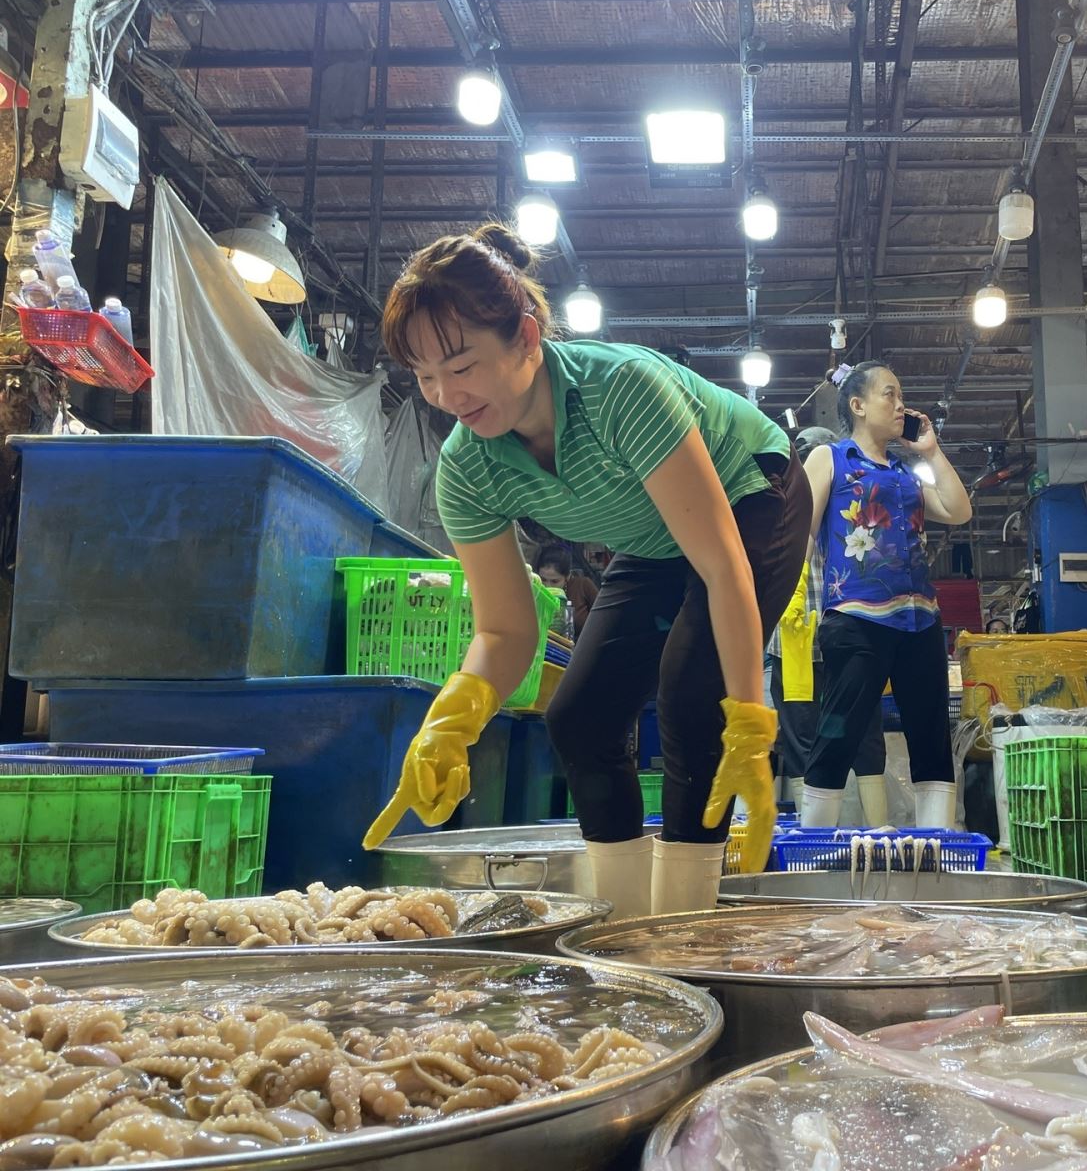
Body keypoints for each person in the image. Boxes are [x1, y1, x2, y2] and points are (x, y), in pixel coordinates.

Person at [362, 223, 810, 918]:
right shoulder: (466, 469)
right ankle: (622, 927)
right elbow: (507, 632)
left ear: (526, 337)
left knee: (692, 693)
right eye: (424, 376)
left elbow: (722, 567)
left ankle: (685, 929)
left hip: (750, 491)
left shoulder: (622, 391)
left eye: (462, 366)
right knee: (578, 718)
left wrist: (751, 723)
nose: (447, 394)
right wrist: (452, 719)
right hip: (654, 533)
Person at [801, 360, 974, 829]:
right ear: (857, 405)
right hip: (855, 618)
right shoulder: (831, 459)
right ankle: (813, 846)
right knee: (839, 731)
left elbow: (958, 510)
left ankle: (936, 843)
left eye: (902, 396)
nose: (901, 405)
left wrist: (931, 452)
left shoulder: (906, 474)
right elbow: (801, 534)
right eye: (889, 394)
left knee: (931, 737)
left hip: (921, 620)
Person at [769, 426, 885, 802]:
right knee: (802, 737)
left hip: (848, 635)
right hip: (793, 641)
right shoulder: (781, 510)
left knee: (863, 732)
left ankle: (876, 825)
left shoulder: (857, 512)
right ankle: (812, 828)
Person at [535, 542, 598, 637]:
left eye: (555, 581)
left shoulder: (583, 586)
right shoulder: (534, 590)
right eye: (543, 580)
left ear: (567, 576)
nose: (548, 586)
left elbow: (604, 618)